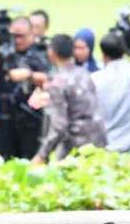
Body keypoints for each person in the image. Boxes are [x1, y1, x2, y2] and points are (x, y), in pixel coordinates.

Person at [32, 34, 106, 164]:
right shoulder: (84, 74)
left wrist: (42, 154)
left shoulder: (57, 82)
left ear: (52, 53)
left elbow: (59, 125)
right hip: (98, 140)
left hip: (75, 147)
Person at [0, 17, 50, 159]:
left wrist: (29, 75)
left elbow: (50, 78)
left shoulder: (41, 53)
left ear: (32, 33)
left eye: (21, 36)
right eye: (13, 36)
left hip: (32, 118)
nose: (17, 40)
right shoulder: (5, 52)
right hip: (6, 116)